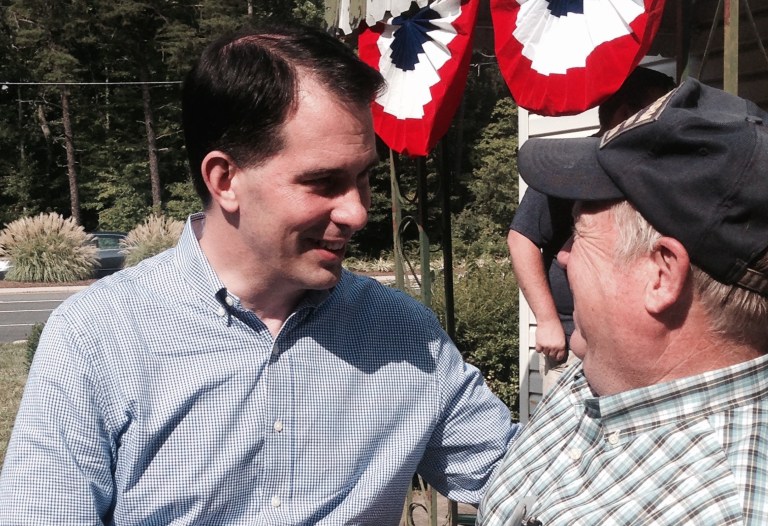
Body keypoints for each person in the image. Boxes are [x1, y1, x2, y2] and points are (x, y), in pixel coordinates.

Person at [0, 24, 518, 525]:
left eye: (363, 178)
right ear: (224, 180)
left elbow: (517, 486)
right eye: (323, 182)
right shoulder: (99, 335)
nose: (358, 212)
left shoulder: (401, 332)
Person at [479, 79, 768, 525]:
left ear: (660, 274)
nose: (563, 255)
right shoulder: (605, 376)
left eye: (581, 234)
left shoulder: (722, 508)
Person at [508, 67, 675, 393]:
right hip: (572, 344)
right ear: (626, 113)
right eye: (659, 113)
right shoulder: (569, 165)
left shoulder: (659, 170)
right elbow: (521, 239)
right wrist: (546, 321)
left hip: (641, 346)